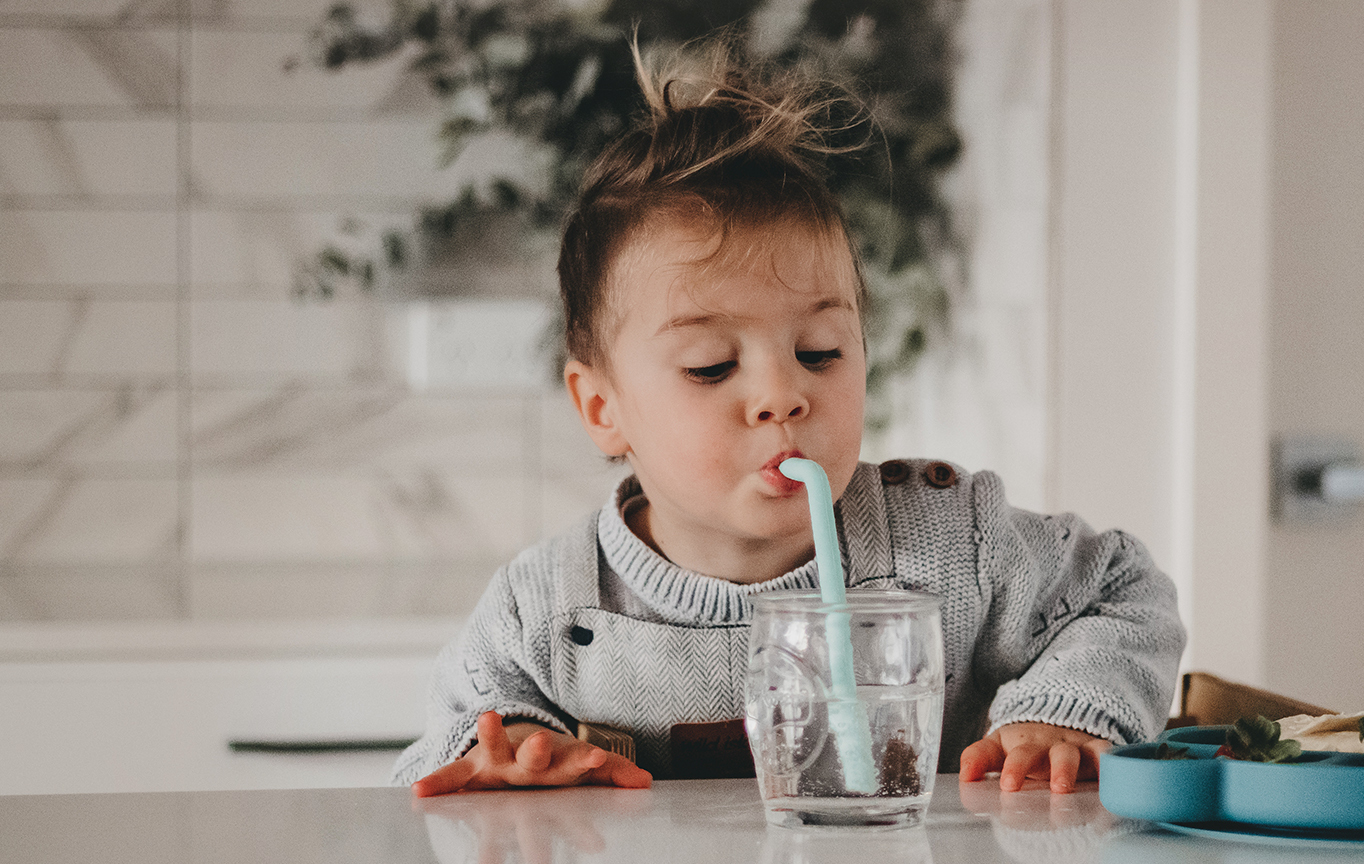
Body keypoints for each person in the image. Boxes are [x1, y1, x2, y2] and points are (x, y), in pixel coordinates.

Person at [394, 40, 1184, 798]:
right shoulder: (546, 611)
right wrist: (514, 755)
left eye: (819, 351)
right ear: (604, 410)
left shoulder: (955, 546)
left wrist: (1062, 712)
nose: (782, 395)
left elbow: (1119, 589)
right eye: (711, 365)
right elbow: (453, 745)